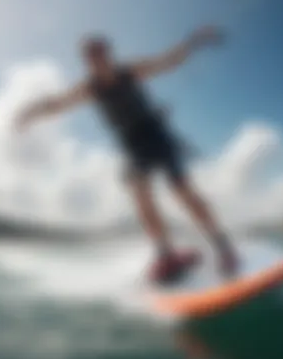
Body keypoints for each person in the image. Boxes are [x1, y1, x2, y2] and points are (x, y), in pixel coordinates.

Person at [15, 25, 239, 283]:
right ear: (86, 61)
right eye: (89, 56)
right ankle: (166, 255)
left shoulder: (129, 71)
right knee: (140, 194)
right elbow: (57, 104)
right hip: (132, 145)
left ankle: (223, 246)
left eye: (99, 52)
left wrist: (194, 41)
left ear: (108, 53)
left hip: (156, 135)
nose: (96, 59)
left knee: (183, 191)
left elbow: (167, 62)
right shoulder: (90, 87)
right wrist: (29, 113)